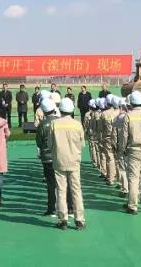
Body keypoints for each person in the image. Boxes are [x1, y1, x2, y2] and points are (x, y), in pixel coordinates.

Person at [51, 97, 86, 230]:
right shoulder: (77, 124)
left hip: (59, 160)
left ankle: (63, 219)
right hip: (74, 161)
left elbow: (50, 143)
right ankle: (79, 220)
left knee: (61, 190)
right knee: (76, 190)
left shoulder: (54, 124)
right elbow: (82, 144)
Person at [36, 97, 59, 216]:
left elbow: (39, 142)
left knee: (50, 184)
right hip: (59, 156)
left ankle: (51, 207)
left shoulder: (42, 124)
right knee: (63, 183)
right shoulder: (59, 121)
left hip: (47, 158)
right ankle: (68, 206)